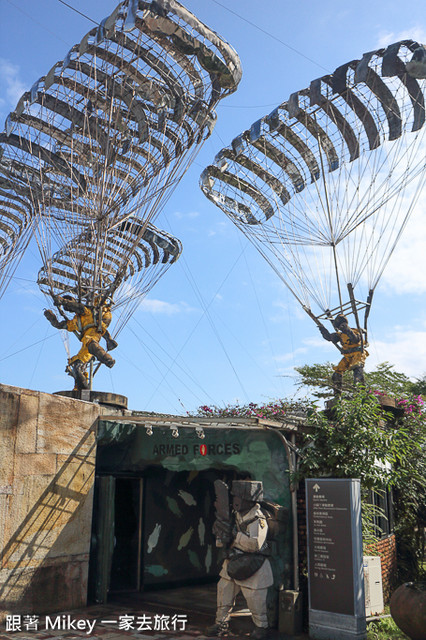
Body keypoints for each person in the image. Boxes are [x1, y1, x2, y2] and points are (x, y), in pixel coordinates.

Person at [207, 480, 273, 639]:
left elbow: (255, 544)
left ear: (250, 500)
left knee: (255, 600)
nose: (236, 500)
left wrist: (234, 535)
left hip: (253, 565)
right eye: (234, 496)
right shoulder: (233, 515)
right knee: (224, 592)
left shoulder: (258, 519)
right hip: (232, 561)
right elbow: (222, 540)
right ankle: (220, 623)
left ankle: (261, 627)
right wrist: (221, 535)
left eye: (240, 497)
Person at [44, 294, 117, 390]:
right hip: (86, 343)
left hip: (95, 331)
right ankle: (83, 388)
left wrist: (62, 301)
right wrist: (51, 317)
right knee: (76, 365)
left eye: (68, 305)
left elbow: (78, 307)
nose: (67, 308)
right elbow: (60, 325)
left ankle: (107, 359)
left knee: (89, 341)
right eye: (66, 307)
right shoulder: (75, 321)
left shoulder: (85, 311)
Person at [319, 313, 368, 396]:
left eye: (342, 325)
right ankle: (337, 393)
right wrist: (322, 329)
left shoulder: (355, 331)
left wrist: (347, 330)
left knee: (357, 368)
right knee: (337, 372)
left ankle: (360, 390)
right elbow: (330, 337)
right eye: (339, 326)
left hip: (358, 353)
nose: (341, 328)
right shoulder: (340, 335)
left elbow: (356, 339)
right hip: (347, 355)